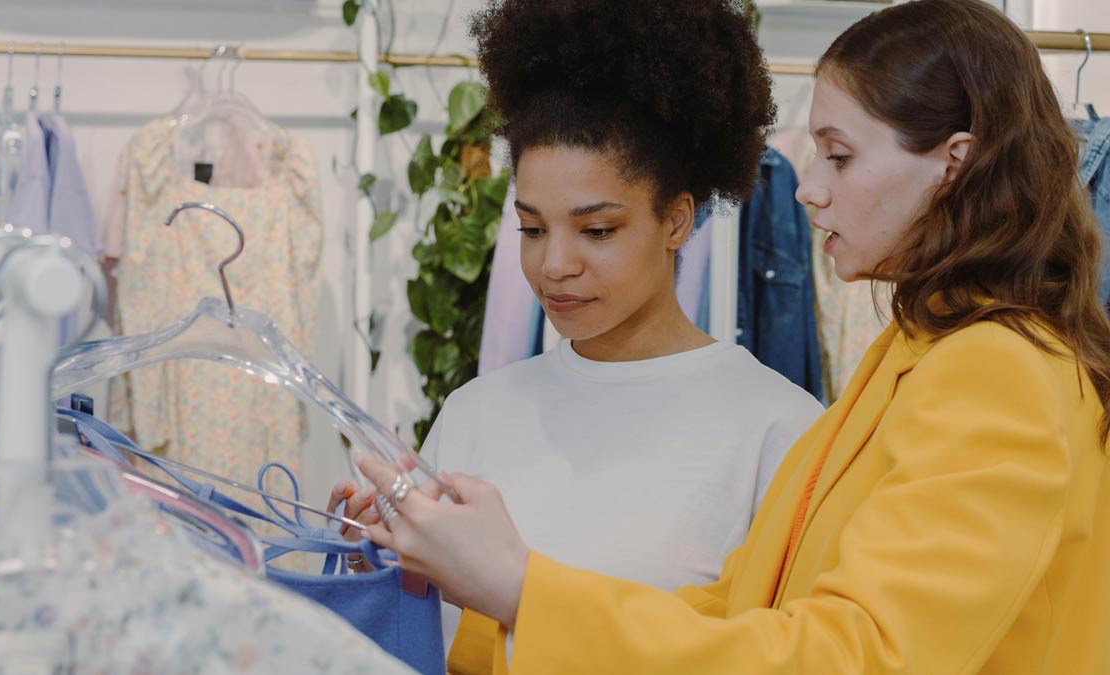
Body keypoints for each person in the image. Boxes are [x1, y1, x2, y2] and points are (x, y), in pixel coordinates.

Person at [354, 0, 1110, 672]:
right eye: (531, 227)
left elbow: (855, 657)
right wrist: (461, 586)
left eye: (839, 156)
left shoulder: (994, 370)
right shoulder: (918, 351)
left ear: (954, 165)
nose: (808, 186)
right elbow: (741, 612)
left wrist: (521, 587)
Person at [328, 0, 823, 662]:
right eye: (532, 228)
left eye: (597, 230)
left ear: (677, 220)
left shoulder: (778, 429)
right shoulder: (476, 413)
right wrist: (379, 570)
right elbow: (432, 643)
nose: (554, 264)